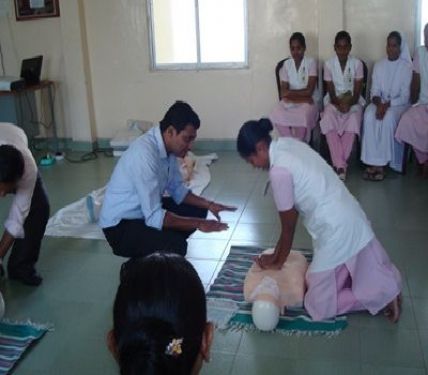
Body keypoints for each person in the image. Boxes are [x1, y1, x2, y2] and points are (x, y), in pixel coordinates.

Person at [236, 118, 402, 322]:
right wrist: (276, 257)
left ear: (260, 148)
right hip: (348, 213)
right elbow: (291, 215)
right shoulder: (287, 144)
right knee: (312, 279)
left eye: (250, 160)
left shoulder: (279, 172)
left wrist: (277, 261)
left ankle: (382, 295)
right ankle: (383, 285)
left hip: (336, 229)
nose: (253, 166)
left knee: (317, 306)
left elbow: (289, 227)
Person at [100, 101, 235, 258]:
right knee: (176, 245)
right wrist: (198, 224)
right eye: (187, 139)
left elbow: (178, 191)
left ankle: (158, 252)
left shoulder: (168, 149)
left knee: (198, 210)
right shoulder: (145, 154)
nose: (190, 146)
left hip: (142, 213)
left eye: (192, 139)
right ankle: (147, 261)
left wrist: (210, 205)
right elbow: (153, 216)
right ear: (170, 131)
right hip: (119, 226)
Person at [107, 252, 213, 375]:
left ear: (112, 344)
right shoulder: (175, 346)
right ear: (206, 340)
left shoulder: (175, 346)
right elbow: (174, 346)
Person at [0, 123, 49, 286]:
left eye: (6, 190)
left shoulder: (28, 169)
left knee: (39, 207)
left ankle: (20, 266)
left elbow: (16, 219)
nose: (2, 195)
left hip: (15, 135)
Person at [361, 31, 412, 180]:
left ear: (400, 47)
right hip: (380, 102)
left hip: (398, 105)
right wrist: (379, 104)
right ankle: (371, 162)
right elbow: (374, 91)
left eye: (394, 46)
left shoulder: (406, 68)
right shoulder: (379, 65)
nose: (391, 49)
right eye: (389, 45)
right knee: (369, 115)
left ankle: (381, 166)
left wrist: (386, 106)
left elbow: (405, 96)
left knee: (388, 118)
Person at [320, 31, 366, 181]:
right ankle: (341, 165)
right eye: (339, 47)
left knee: (353, 118)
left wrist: (349, 103)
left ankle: (339, 165)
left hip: (353, 101)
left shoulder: (357, 64)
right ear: (334, 47)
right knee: (327, 118)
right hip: (334, 102)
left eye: (345, 47)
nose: (342, 50)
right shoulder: (328, 64)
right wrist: (339, 104)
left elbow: (358, 91)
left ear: (350, 47)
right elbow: (330, 91)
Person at [269, 32, 320, 143]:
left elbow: (309, 91)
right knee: (276, 113)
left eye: (298, 48)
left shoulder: (311, 63)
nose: (295, 52)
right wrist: (302, 97)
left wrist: (291, 94)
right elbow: (283, 93)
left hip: (309, 103)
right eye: (292, 49)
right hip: (296, 101)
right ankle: (295, 145)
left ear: (304, 48)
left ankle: (294, 147)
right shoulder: (286, 65)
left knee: (303, 116)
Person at [396, 23, 428, 178]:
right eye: (426, 35)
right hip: (422, 102)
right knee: (408, 120)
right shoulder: (420, 52)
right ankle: (422, 161)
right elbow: (415, 82)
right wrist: (413, 102)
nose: (427, 38)